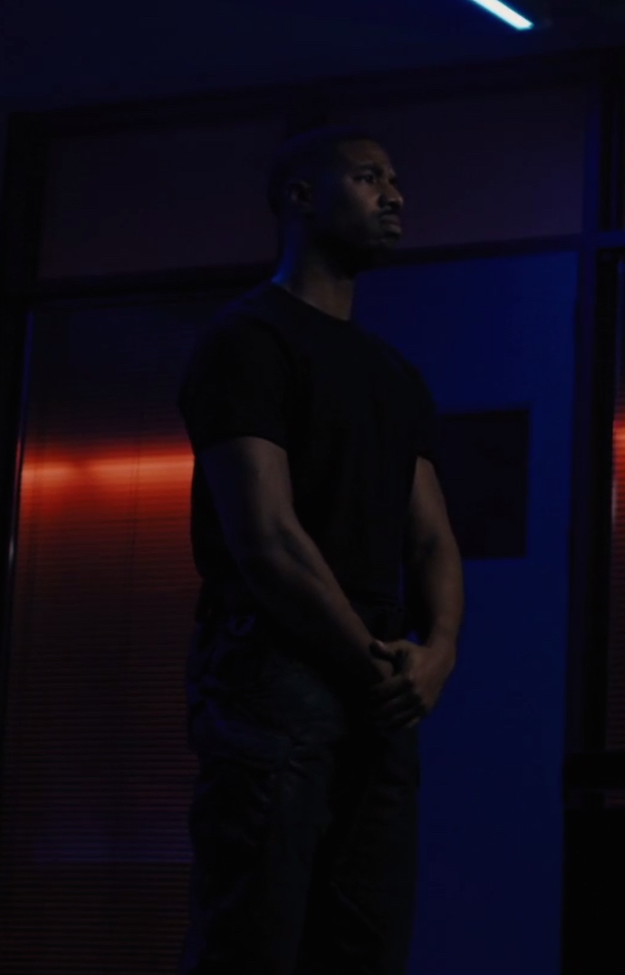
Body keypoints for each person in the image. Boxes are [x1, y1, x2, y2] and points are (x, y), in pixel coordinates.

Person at [176, 126, 463, 974]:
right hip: (276, 667)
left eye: (396, 179)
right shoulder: (248, 340)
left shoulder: (394, 374)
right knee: (253, 938)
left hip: (377, 678)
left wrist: (439, 653)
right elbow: (265, 537)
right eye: (369, 177)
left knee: (364, 942)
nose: (395, 196)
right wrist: (377, 662)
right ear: (302, 197)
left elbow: (434, 536)